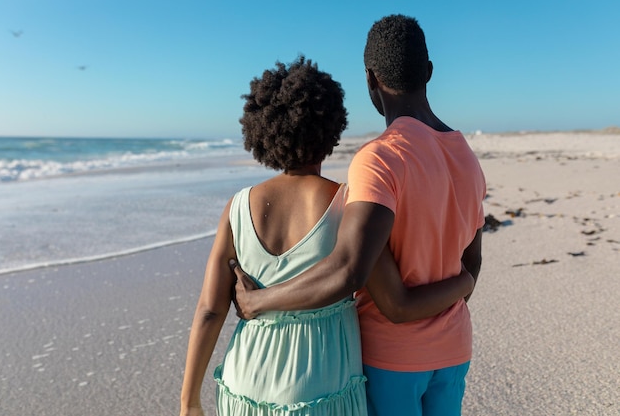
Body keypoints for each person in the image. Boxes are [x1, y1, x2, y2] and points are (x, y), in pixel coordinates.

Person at [179, 55, 474, 416]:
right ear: (332, 129)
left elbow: (210, 309)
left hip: (246, 380)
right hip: (321, 385)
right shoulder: (347, 202)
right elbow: (369, 279)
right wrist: (463, 282)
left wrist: (189, 400)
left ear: (261, 132)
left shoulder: (237, 207)